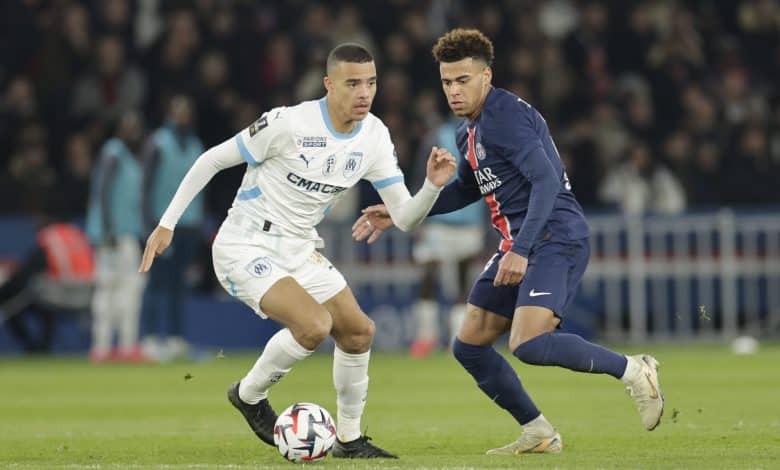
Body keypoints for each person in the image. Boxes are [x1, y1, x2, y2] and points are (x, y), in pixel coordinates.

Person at [353, 29, 664, 455]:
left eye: (463, 80)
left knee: (529, 344)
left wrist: (520, 249)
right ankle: (539, 432)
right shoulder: (469, 132)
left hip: (554, 236)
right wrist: (406, 208)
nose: (453, 91)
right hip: (519, 243)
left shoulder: (505, 116)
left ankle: (633, 370)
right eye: (446, 82)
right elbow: (465, 190)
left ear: (486, 76)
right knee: (470, 346)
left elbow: (547, 180)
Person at [139, 43, 455, 459]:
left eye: (371, 82)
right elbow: (211, 160)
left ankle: (349, 440)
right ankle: (249, 396)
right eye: (353, 83)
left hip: (299, 247)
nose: (365, 93)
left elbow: (406, 217)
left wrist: (431, 186)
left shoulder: (375, 136)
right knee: (314, 326)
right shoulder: (288, 123)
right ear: (329, 84)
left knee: (359, 333)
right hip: (244, 243)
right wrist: (167, 224)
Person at [408, 117, 485, 358]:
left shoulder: (485, 137)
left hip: (470, 222)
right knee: (429, 277)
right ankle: (425, 337)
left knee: (463, 283)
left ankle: (457, 341)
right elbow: (421, 175)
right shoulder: (437, 136)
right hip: (438, 223)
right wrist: (416, 215)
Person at [141, 94, 204, 361]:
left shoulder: (195, 144)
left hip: (189, 225)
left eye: (186, 110)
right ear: (169, 112)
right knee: (157, 283)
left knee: (179, 285)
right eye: (178, 109)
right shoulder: (158, 142)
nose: (183, 115)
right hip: (162, 224)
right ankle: (152, 339)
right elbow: (145, 186)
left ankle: (176, 340)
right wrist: (148, 224)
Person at [85, 110, 147, 362]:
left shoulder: (130, 158)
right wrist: (107, 228)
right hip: (116, 235)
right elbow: (103, 190)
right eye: (128, 126)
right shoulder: (114, 152)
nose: (133, 131)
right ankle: (114, 346)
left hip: (123, 232)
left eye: (136, 126)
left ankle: (112, 346)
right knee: (119, 287)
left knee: (116, 288)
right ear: (119, 129)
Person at [0, 222, 94, 353]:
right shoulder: (76, 234)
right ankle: (41, 347)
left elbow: (29, 269)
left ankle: (37, 348)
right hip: (89, 294)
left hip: (61, 294)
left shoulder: (50, 237)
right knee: (42, 304)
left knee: (13, 301)